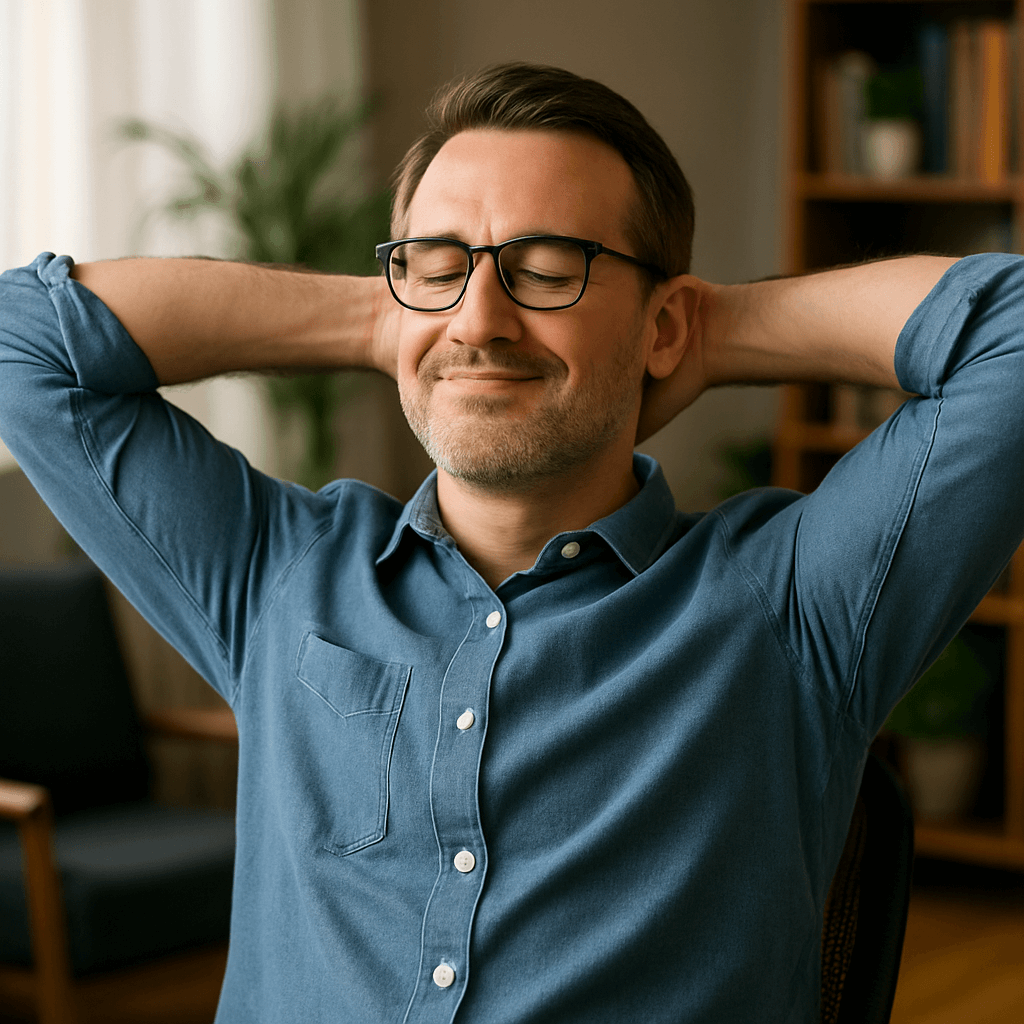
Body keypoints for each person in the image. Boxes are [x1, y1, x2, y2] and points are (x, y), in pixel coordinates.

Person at [1, 61, 1022, 1024]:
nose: (481, 319)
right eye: (434, 266)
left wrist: (704, 329)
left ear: (662, 324)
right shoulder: (276, 571)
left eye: (546, 270)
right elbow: (24, 342)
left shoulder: (791, 602)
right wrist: (387, 320)